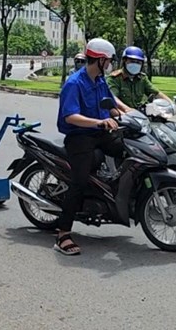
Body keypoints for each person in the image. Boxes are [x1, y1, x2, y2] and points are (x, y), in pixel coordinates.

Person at [54, 38, 132, 256]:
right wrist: (100, 122)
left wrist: (128, 114)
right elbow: (70, 117)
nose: (110, 65)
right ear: (99, 60)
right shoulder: (74, 83)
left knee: (128, 151)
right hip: (79, 137)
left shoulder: (99, 80)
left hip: (100, 133)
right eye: (108, 61)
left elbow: (110, 103)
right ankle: (62, 235)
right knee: (78, 182)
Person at [108, 46, 176, 111]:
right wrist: (127, 109)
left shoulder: (142, 78)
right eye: (132, 61)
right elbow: (113, 98)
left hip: (139, 115)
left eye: (138, 62)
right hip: (121, 116)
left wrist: (172, 104)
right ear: (124, 61)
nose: (135, 64)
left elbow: (156, 93)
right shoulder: (115, 79)